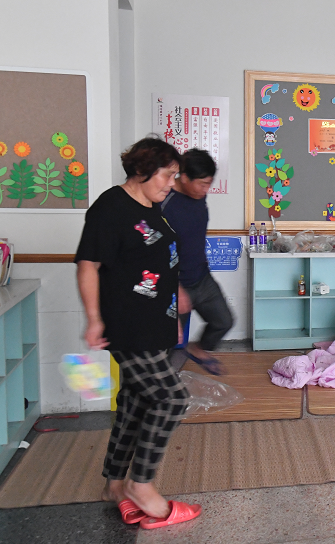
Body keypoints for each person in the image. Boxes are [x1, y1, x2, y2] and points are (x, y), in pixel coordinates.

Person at [75, 137, 201, 528]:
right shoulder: (110, 207)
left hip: (155, 321)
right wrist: (94, 319)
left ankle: (115, 487)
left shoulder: (151, 205)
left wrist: (174, 301)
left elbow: (157, 258)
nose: (172, 183)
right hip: (128, 323)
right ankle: (141, 486)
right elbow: (88, 265)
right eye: (167, 175)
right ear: (142, 171)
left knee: (135, 402)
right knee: (171, 399)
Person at [160, 148, 234, 375]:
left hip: (201, 277)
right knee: (170, 341)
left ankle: (198, 349)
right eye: (201, 184)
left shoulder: (199, 197)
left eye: (208, 184)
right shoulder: (164, 203)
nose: (205, 190)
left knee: (223, 321)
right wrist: (176, 288)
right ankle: (164, 383)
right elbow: (158, 254)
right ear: (184, 178)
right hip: (175, 285)